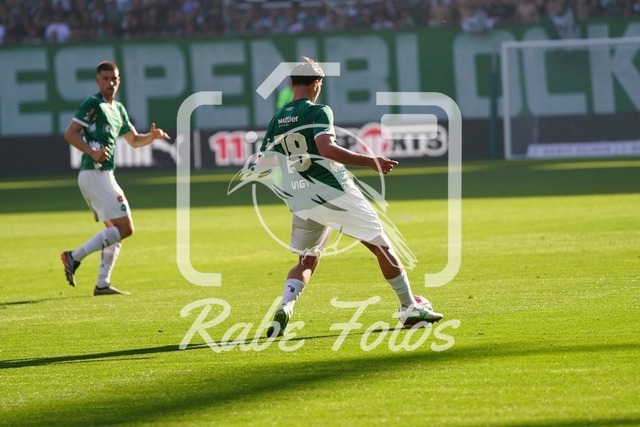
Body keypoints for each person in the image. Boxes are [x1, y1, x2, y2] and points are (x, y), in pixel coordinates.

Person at [250, 57, 443, 337]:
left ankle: (286, 306)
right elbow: (326, 149)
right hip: (334, 190)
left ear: (291, 83)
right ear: (317, 84)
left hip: (302, 198)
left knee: (307, 260)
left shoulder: (277, 119)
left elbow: (264, 161)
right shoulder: (318, 111)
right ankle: (409, 307)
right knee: (381, 246)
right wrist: (370, 161)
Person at [60, 60, 170, 295]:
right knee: (126, 228)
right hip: (95, 173)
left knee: (114, 232)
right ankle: (74, 256)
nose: (110, 83)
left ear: (119, 81)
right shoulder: (93, 104)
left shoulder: (118, 109)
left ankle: (102, 283)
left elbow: (134, 140)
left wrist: (151, 136)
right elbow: (70, 133)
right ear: (98, 81)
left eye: (114, 79)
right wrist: (92, 152)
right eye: (106, 79)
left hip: (102, 174)